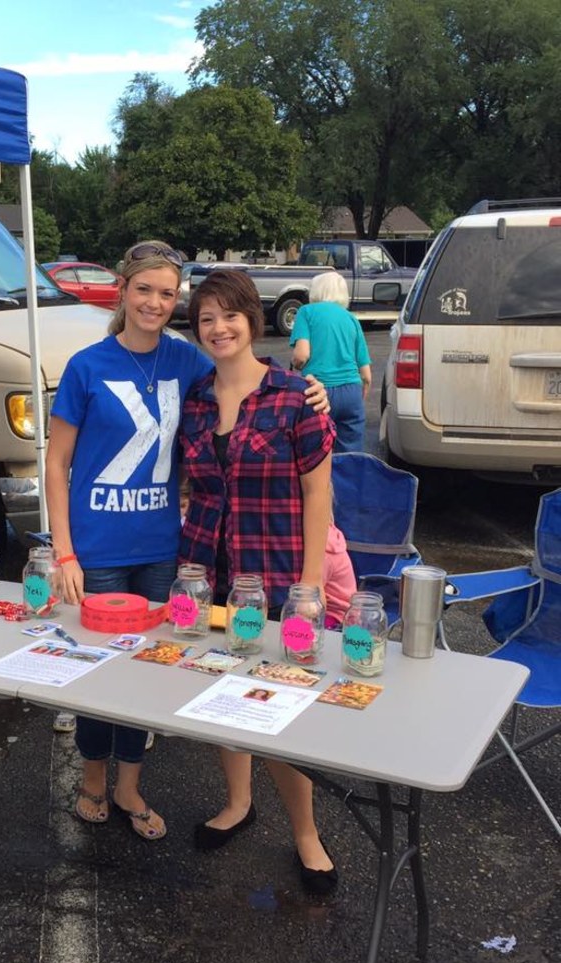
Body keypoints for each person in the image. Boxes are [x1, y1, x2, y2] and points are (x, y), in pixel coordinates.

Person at [46, 240, 331, 841]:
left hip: (173, 557)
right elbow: (57, 461)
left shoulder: (192, 366)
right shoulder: (91, 367)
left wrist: (313, 389)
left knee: (156, 674)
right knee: (102, 675)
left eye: (167, 293)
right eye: (145, 289)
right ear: (121, 290)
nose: (156, 302)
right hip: (110, 554)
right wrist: (63, 549)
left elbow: (256, 381)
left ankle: (131, 785)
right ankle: (96, 781)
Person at [178, 268, 338, 893]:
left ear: (253, 320)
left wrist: (311, 584)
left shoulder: (295, 396)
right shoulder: (194, 399)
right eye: (207, 318)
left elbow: (317, 493)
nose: (219, 328)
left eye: (230, 315)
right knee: (224, 694)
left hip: (275, 577)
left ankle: (306, 833)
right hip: (205, 578)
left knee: (279, 707)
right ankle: (239, 804)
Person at [289, 270, 372, 453]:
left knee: (316, 451)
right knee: (350, 454)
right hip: (351, 391)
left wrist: (296, 365)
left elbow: (301, 355)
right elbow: (366, 374)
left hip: (318, 391)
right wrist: (359, 394)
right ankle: (347, 481)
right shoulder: (351, 318)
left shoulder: (306, 312)